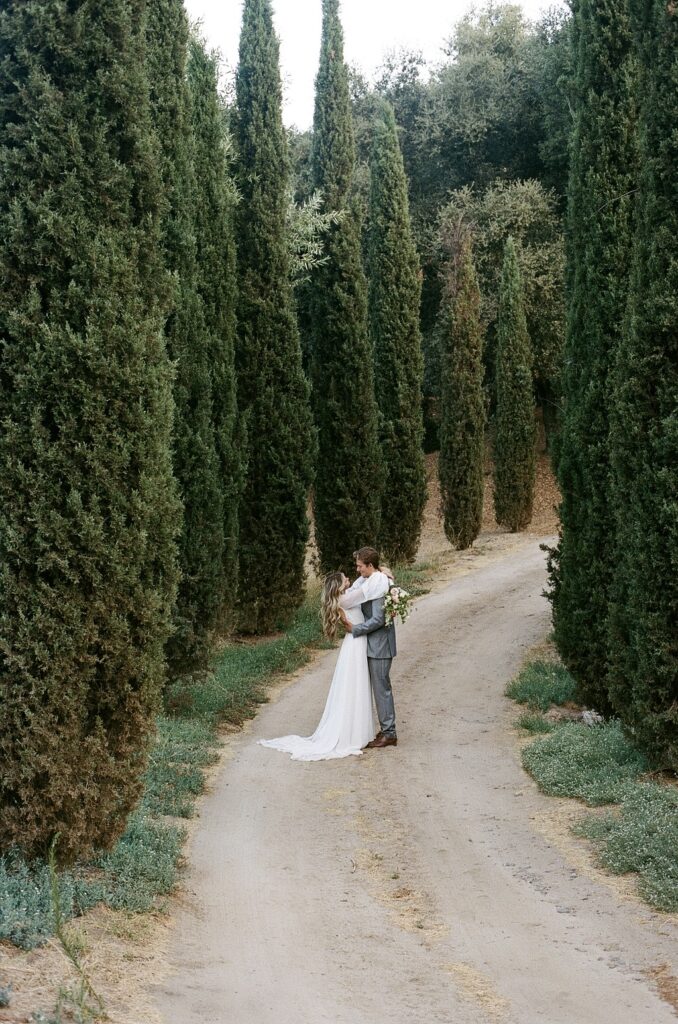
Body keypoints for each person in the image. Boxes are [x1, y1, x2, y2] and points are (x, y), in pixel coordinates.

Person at [258, 565, 390, 760]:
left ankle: (357, 731)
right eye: (345, 579)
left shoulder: (344, 596)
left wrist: (378, 574)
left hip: (356, 643)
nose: (349, 580)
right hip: (356, 643)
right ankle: (351, 734)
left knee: (356, 686)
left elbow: (360, 584)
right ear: (338, 586)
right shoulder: (346, 599)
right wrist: (383, 578)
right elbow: (365, 590)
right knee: (355, 686)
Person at [340, 547, 398, 749]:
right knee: (378, 688)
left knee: (382, 689)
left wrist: (355, 629)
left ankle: (389, 733)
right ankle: (386, 730)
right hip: (374, 644)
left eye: (360, 566)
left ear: (370, 566)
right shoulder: (370, 582)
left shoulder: (378, 585)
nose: (357, 570)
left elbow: (378, 619)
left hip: (381, 646)